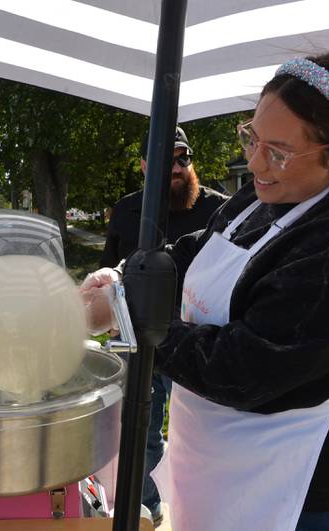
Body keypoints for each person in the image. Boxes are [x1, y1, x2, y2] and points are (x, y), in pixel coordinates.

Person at [82, 51, 329, 531]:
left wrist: (129, 314)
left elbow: (245, 368)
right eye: (252, 138)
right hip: (220, 452)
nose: (255, 162)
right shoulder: (260, 198)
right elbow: (190, 252)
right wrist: (123, 277)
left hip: (294, 479)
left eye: (278, 151)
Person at [99, 126, 226, 525]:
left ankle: (201, 513)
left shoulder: (218, 209)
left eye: (183, 158)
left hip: (197, 341)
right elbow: (110, 267)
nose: (176, 167)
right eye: (164, 160)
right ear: (143, 166)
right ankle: (147, 510)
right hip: (137, 340)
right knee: (141, 432)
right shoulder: (126, 210)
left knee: (202, 438)